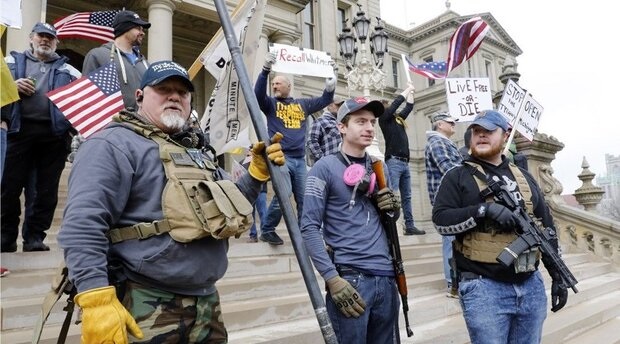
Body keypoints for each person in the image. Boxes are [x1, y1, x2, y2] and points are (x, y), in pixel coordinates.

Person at [57, 60, 285, 342]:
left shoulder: (198, 153)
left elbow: (232, 207)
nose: (174, 96)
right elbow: (83, 223)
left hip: (206, 304)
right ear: (140, 96)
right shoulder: (112, 144)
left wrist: (256, 174)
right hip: (144, 301)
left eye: (182, 92)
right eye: (164, 89)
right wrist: (95, 297)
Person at [432, 110, 569, 343]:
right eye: (476, 131)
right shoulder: (457, 176)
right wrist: (483, 211)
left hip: (530, 285)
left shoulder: (525, 177)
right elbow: (441, 220)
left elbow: (546, 227)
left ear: (505, 135)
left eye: (488, 131)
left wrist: (558, 275)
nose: (481, 136)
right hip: (484, 288)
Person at [301, 96, 402, 343]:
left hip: (387, 278)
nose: (369, 127)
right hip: (350, 280)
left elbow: (389, 220)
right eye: (360, 121)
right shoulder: (323, 168)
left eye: (372, 122)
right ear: (342, 127)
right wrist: (332, 279)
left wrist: (393, 208)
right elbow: (309, 227)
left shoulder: (380, 167)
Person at [1, 22, 81, 252]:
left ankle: (34, 237)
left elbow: (80, 101)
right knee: (8, 187)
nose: (45, 41)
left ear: (56, 42)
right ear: (31, 38)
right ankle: (5, 237)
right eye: (41, 36)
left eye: (50, 38)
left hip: (53, 136)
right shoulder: (10, 62)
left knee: (44, 190)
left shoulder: (70, 70)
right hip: (18, 131)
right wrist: (11, 85)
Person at [253, 52, 335, 245]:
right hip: (280, 156)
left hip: (299, 160)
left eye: (278, 83)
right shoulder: (271, 104)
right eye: (273, 84)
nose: (274, 86)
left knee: (304, 199)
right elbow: (257, 94)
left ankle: (303, 234)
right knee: (284, 191)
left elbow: (324, 100)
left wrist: (331, 86)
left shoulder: (303, 104)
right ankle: (267, 229)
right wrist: (265, 71)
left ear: (288, 87)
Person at [424, 112, 463, 298]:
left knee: (453, 240)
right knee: (451, 240)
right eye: (450, 122)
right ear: (439, 124)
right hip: (447, 201)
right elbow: (449, 168)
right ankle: (452, 282)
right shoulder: (438, 142)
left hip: (450, 199)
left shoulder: (443, 142)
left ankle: (455, 281)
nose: (453, 125)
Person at [379, 82, 424, 235]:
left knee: (407, 196)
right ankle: (390, 224)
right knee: (392, 194)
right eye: (386, 105)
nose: (389, 106)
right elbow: (397, 103)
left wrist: (411, 92)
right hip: (394, 161)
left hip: (405, 162)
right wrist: (407, 90)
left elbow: (409, 107)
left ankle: (409, 226)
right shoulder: (384, 118)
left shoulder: (398, 119)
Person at [82, 10, 151, 111]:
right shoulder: (98, 55)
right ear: (125, 28)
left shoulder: (145, 64)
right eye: (138, 28)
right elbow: (88, 95)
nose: (142, 33)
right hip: (113, 123)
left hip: (143, 124)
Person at [306, 99, 344, 165]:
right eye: (337, 105)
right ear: (329, 106)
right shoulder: (320, 121)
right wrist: (322, 159)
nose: (340, 107)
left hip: (344, 163)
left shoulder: (342, 122)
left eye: (341, 105)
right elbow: (311, 141)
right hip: (330, 164)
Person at [241, 150, 268, 243]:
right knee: (250, 214)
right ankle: (253, 235)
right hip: (248, 191)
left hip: (261, 190)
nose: (250, 152)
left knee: (263, 212)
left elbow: (267, 175)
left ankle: (265, 233)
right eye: (248, 150)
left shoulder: (261, 160)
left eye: (251, 150)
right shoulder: (242, 162)